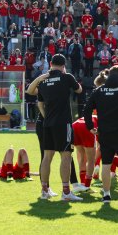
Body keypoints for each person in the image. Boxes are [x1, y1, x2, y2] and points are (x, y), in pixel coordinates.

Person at [83, 66, 118, 204]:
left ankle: (106, 195)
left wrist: (90, 126)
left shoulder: (99, 90)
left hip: (105, 133)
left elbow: (87, 109)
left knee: (106, 164)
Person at [36, 54, 83, 201]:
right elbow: (79, 90)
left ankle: (44, 190)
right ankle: (66, 192)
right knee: (66, 156)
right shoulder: (66, 77)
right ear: (64, 65)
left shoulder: (43, 81)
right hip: (63, 123)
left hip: (47, 123)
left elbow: (40, 102)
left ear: (50, 63)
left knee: (47, 157)